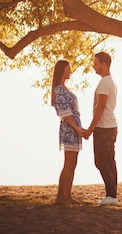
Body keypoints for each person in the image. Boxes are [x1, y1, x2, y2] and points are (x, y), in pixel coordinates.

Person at [83, 52, 118, 206]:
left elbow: (101, 107)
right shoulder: (110, 82)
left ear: (104, 65)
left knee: (101, 161)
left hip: (104, 127)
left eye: (96, 63)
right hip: (110, 126)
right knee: (109, 161)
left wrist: (91, 128)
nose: (93, 66)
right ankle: (112, 195)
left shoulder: (105, 83)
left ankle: (111, 195)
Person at [51, 59, 85, 206]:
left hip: (75, 128)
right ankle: (60, 196)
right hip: (69, 129)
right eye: (68, 68)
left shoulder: (64, 88)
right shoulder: (58, 89)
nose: (70, 71)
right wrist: (76, 128)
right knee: (68, 162)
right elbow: (65, 113)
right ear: (62, 70)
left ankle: (67, 194)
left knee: (73, 162)